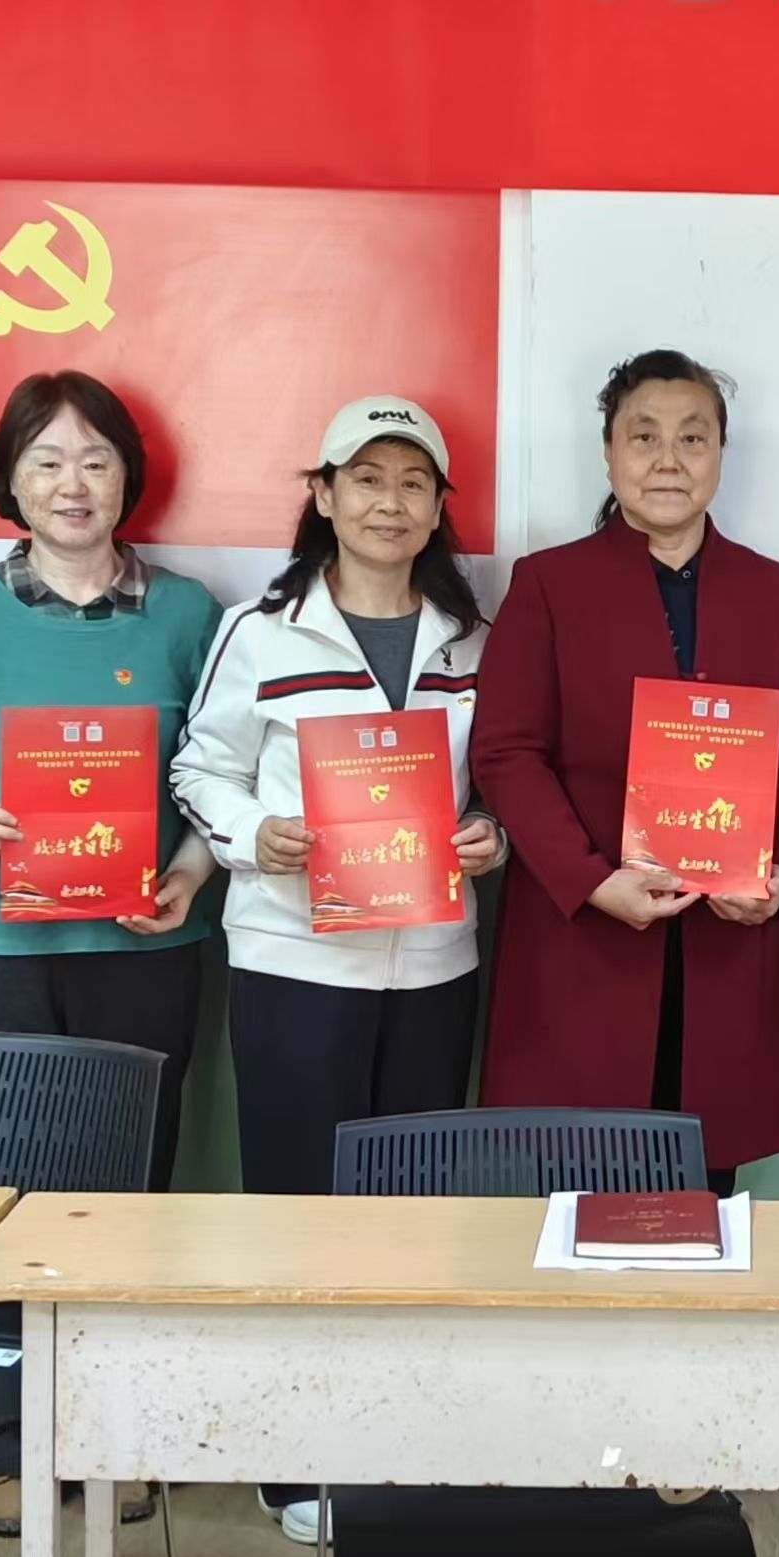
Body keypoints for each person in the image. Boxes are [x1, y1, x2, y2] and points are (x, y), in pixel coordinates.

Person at [471, 351, 779, 1184]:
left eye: (693, 438)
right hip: (586, 942)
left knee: (704, 1195)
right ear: (608, 452)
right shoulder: (549, 584)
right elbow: (507, 752)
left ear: (720, 454)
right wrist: (592, 881)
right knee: (575, 1191)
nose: (669, 459)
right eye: (644, 437)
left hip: (726, 945)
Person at [173, 395, 504, 1199]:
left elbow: (501, 780)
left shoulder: (473, 642)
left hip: (433, 970)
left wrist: (491, 833)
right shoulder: (260, 631)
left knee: (416, 1205)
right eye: (366, 479)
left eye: (414, 483)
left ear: (437, 509)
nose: (391, 503)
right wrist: (256, 833)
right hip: (293, 965)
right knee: (297, 1205)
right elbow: (200, 770)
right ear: (323, 495)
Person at [0, 371, 224, 1186]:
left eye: (96, 461)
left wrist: (190, 873)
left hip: (145, 942)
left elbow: (223, 771)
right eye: (46, 463)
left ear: (127, 479)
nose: (71, 485)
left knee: (129, 1176)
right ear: (11, 480)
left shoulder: (191, 614)